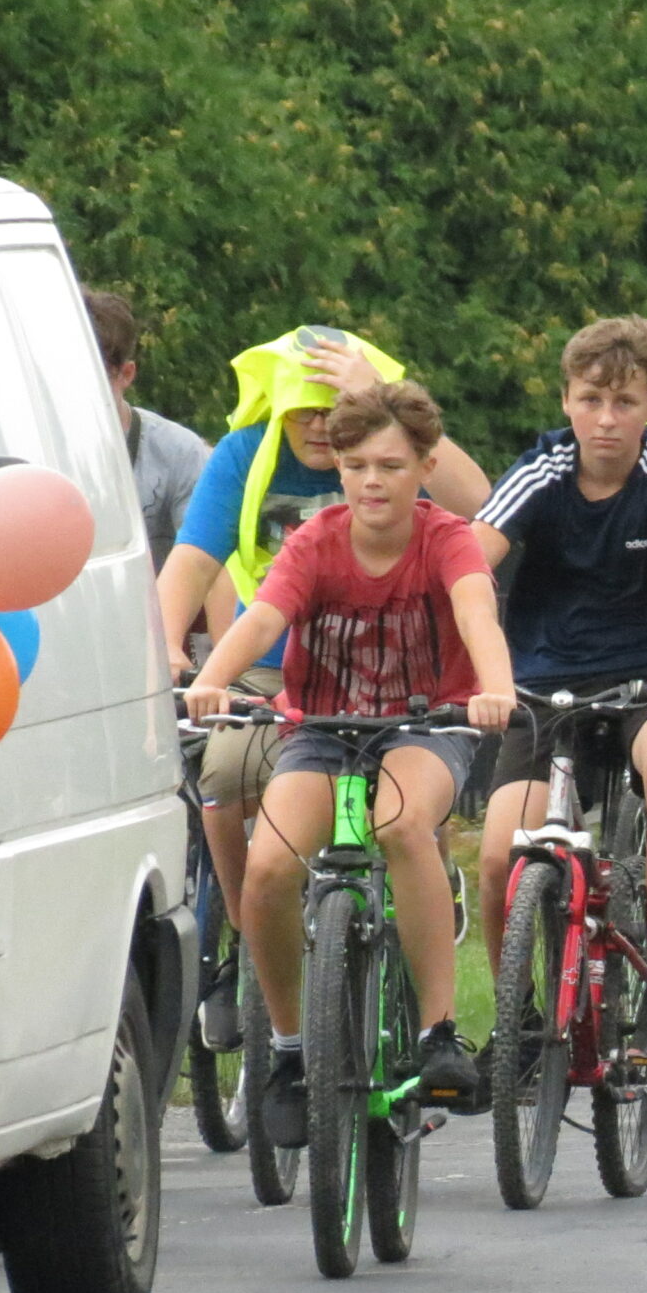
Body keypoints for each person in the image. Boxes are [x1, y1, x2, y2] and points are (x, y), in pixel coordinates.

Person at [182, 383, 515, 1143]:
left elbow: (475, 613)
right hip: (324, 730)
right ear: (338, 469)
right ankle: (290, 1050)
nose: (372, 481)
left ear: (425, 468)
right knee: (269, 868)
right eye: (357, 465)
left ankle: (438, 1033)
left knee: (400, 826)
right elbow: (262, 618)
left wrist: (494, 689)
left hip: (426, 725)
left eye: (391, 466)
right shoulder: (315, 541)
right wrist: (212, 680)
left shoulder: (447, 540)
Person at [157, 328, 492, 945]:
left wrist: (383, 398)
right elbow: (193, 560)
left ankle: (430, 869)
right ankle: (249, 935)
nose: (317, 426)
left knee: (411, 787)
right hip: (273, 664)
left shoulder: (387, 450)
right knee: (223, 774)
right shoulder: (244, 455)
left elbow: (478, 504)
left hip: (401, 665)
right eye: (300, 412)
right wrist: (170, 648)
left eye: (331, 410)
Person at [471, 317, 647, 1063]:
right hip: (546, 688)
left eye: (625, 402)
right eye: (590, 400)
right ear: (566, 401)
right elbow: (468, 563)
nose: (606, 419)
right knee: (499, 857)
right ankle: (518, 1019)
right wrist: (480, 670)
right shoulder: (542, 470)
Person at [85, 289, 209, 570]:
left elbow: (207, 564)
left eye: (94, 381)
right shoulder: (33, 449)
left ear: (127, 374)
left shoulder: (181, 453)